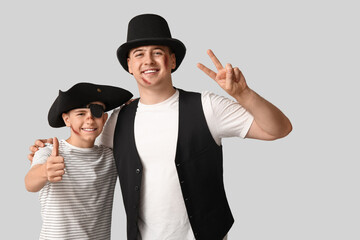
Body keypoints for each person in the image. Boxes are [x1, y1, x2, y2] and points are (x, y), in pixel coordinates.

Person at [29, 14, 292, 240]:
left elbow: (277, 130)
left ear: (173, 60)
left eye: (158, 52)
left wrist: (244, 94)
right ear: (129, 66)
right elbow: (85, 147)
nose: (149, 61)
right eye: (139, 54)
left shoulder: (207, 106)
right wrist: (52, 148)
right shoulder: (118, 119)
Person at [25, 82, 132, 240]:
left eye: (96, 113)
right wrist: (44, 171)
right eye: (81, 114)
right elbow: (30, 183)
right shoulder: (49, 151)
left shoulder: (110, 158)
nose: (89, 119)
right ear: (67, 120)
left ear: (104, 119)